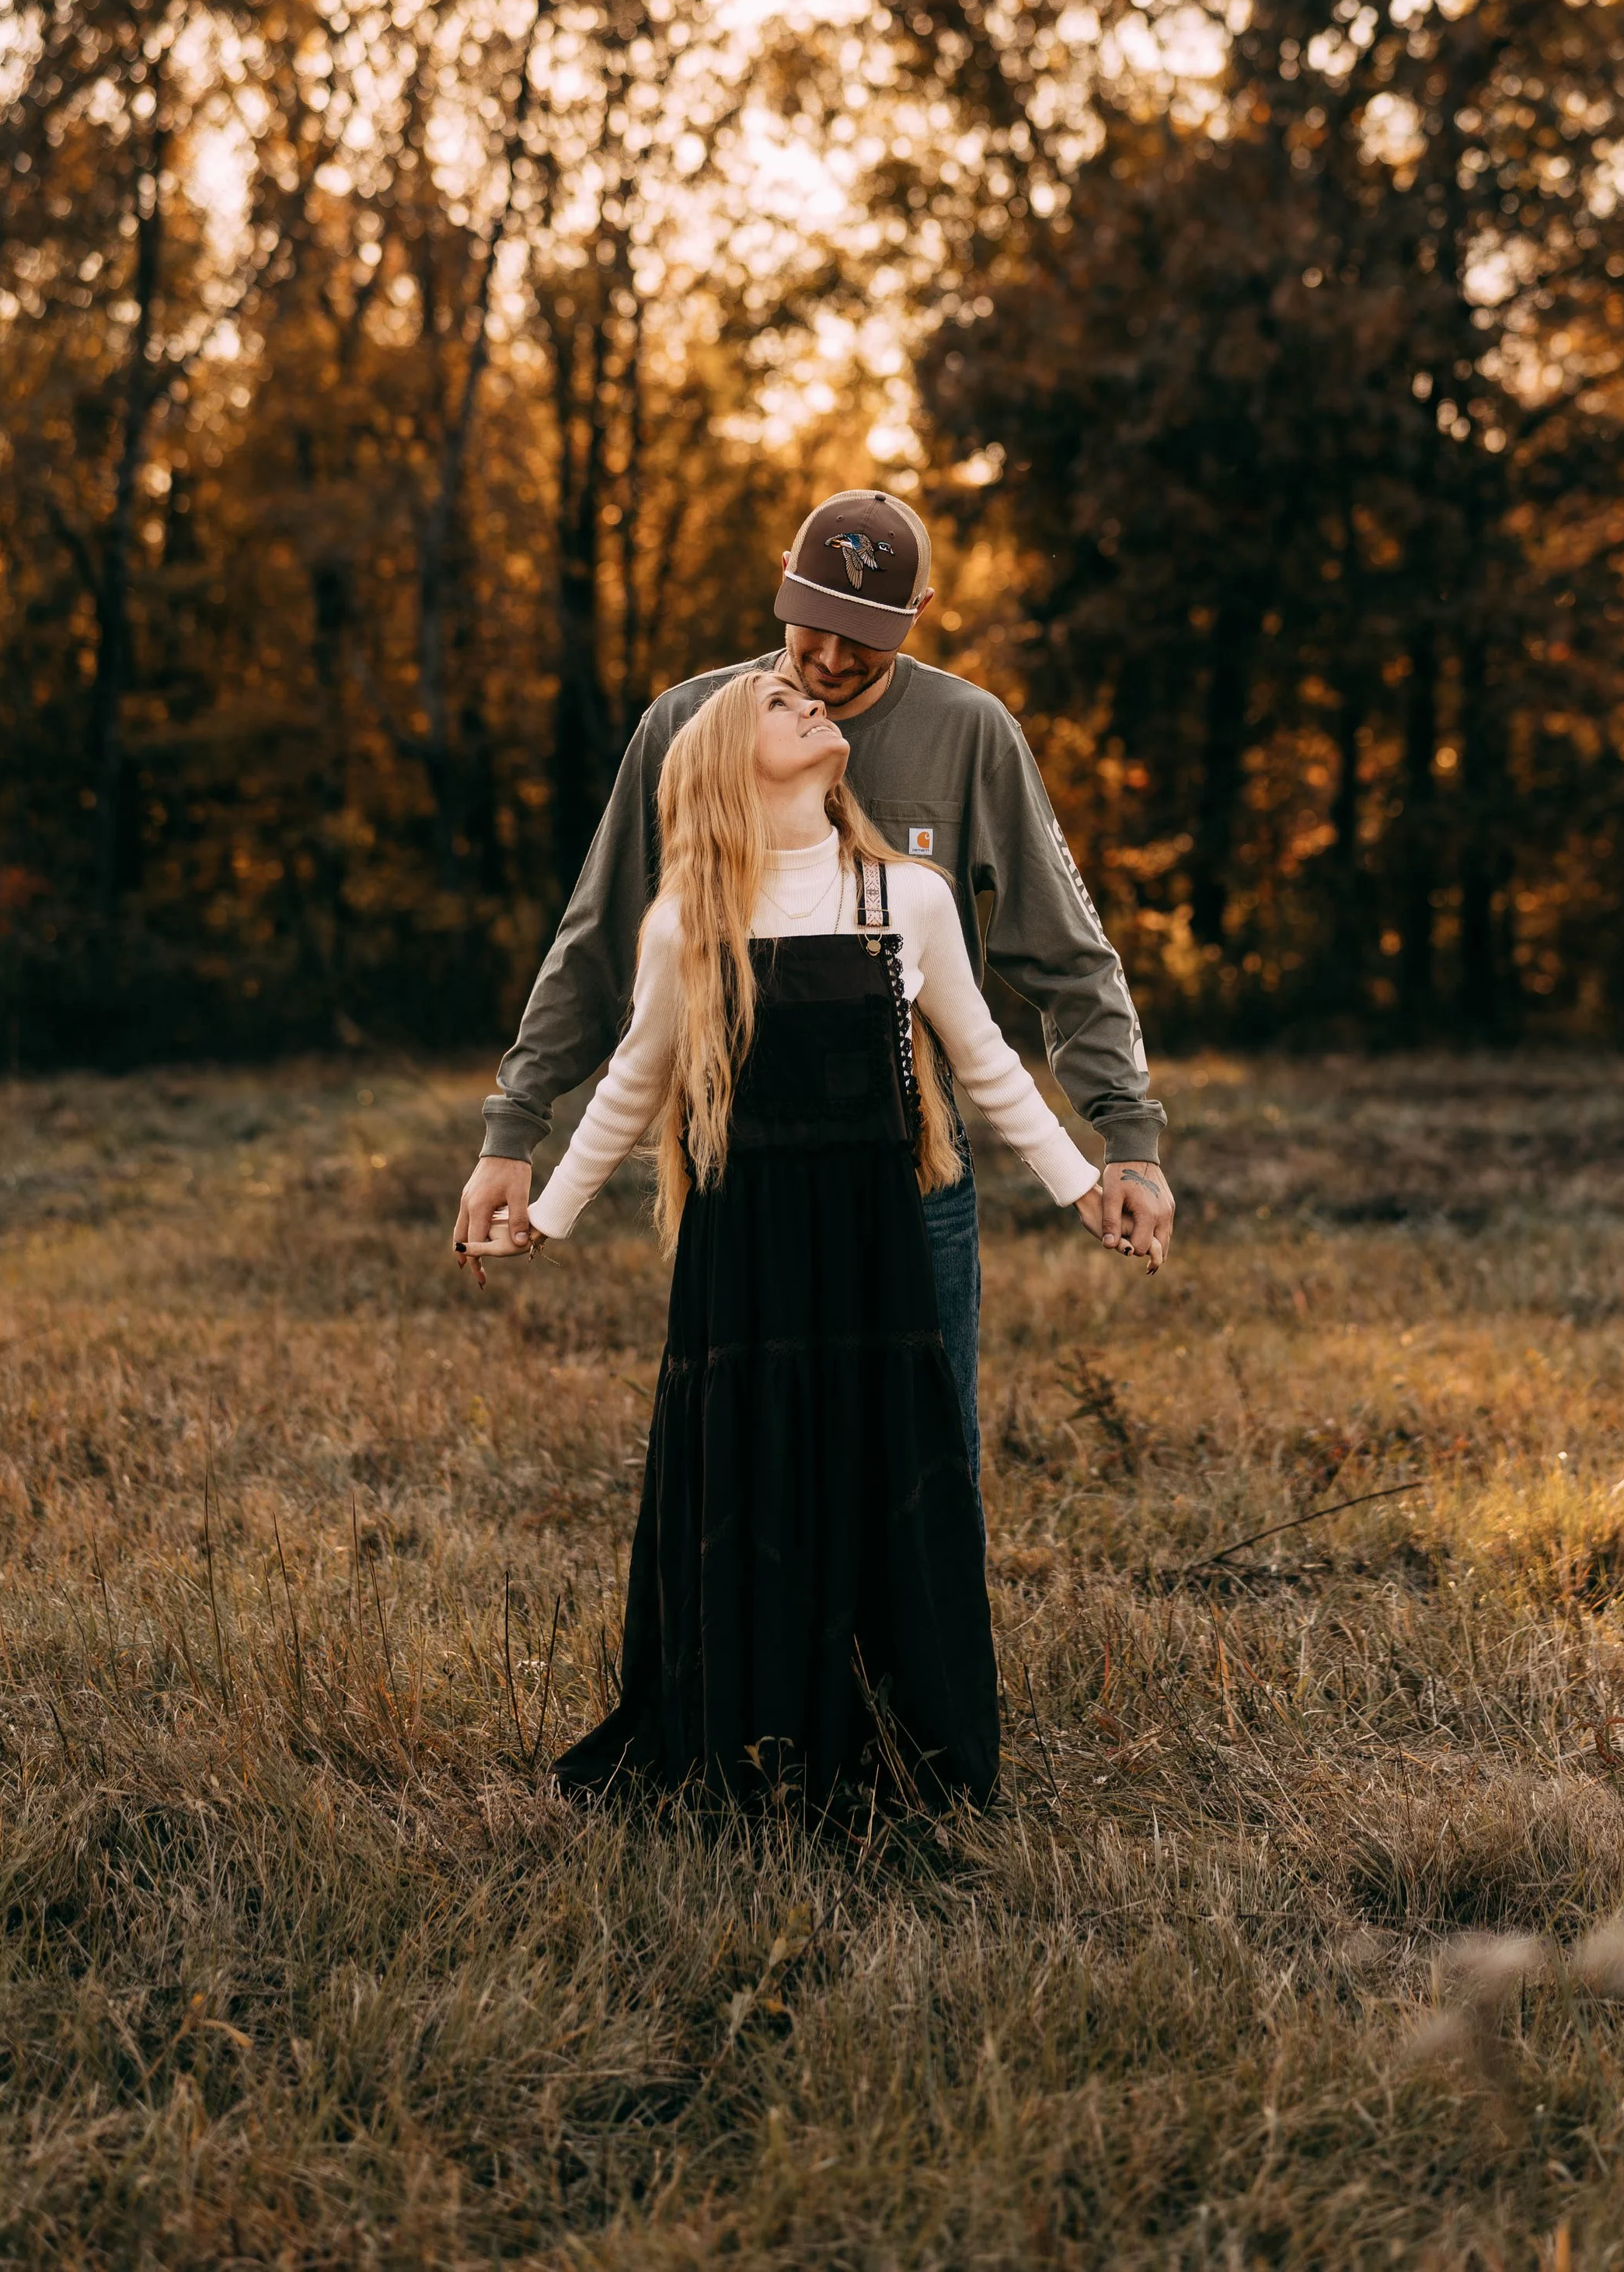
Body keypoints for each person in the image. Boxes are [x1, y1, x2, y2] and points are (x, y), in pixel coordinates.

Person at [454, 488, 1173, 1483]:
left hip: (915, 1167)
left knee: (922, 1457)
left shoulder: (969, 733)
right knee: (758, 1457)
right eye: (814, 628)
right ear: (783, 582)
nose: (831, 663)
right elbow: (599, 943)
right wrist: (513, 1129)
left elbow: (1066, 958)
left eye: (865, 639)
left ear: (918, 613)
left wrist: (1124, 1145)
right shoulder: (692, 725)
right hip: (743, 1171)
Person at [517, 671, 1131, 1805]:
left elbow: (988, 1060)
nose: (810, 704)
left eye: (812, 702)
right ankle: (753, 1750)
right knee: (752, 1481)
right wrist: (544, 1212)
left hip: (873, 1245)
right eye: (780, 706)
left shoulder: (911, 897)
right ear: (724, 765)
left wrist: (1085, 1182)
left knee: (881, 1470)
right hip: (738, 1256)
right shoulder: (684, 919)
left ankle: (894, 1748)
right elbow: (631, 1084)